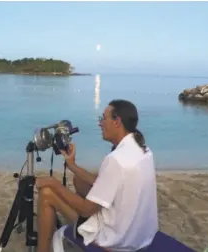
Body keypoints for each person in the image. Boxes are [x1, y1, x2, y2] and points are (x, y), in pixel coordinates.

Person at [35, 99, 158, 252]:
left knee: (47, 194)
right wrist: (72, 165)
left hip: (117, 240)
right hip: (139, 233)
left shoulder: (116, 160)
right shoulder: (143, 149)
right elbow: (103, 181)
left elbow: (87, 210)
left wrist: (53, 183)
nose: (100, 123)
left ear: (117, 122)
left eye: (103, 118)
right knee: (79, 180)